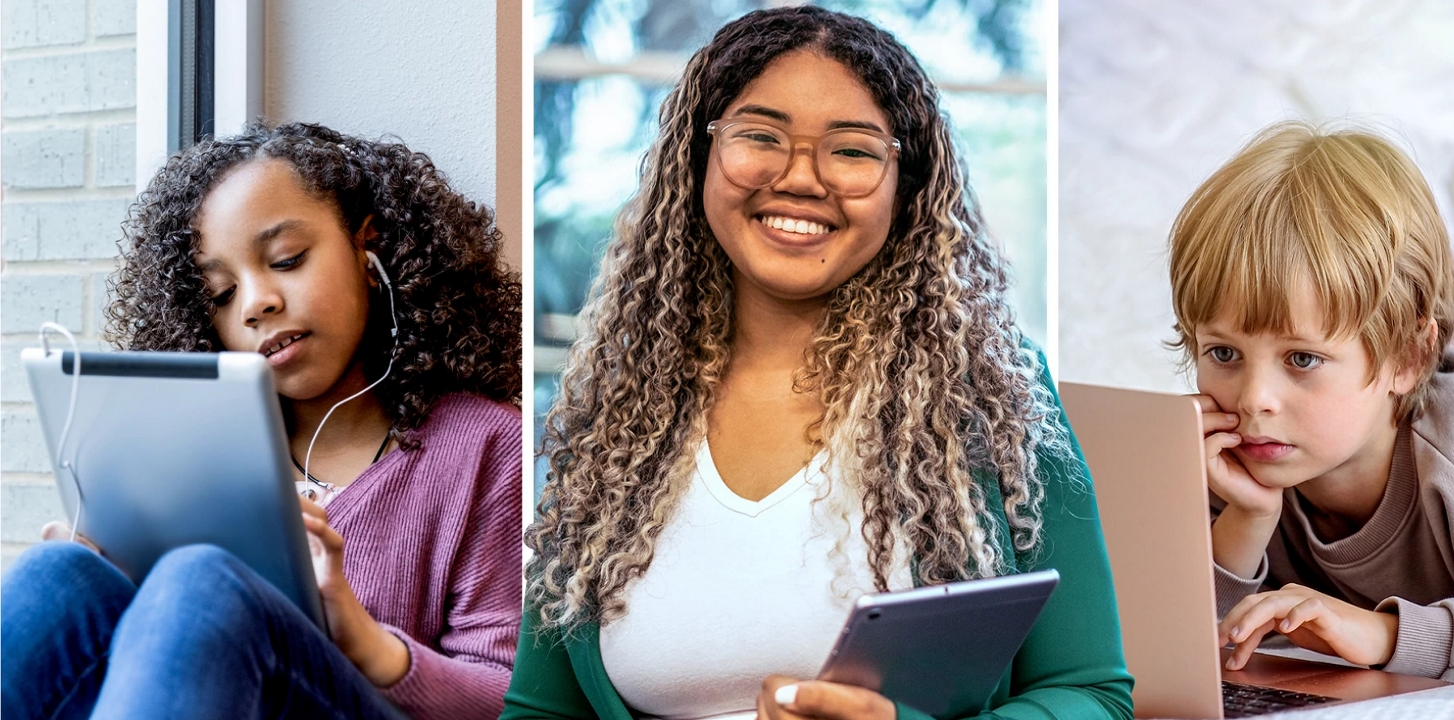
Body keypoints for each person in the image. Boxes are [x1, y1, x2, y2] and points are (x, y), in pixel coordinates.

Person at [503, 7, 1132, 720]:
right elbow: (540, 712)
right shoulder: (621, 407)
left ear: (907, 184)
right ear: (699, 157)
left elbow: (1092, 695)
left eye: (853, 151)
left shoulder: (990, 390)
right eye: (759, 137)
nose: (801, 177)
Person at [1, 123, 526, 718]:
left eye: (287, 260)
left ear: (370, 252)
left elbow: (513, 700)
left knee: (205, 582)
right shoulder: (201, 458)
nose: (256, 304)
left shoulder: (487, 447)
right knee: (60, 574)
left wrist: (364, 639)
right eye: (221, 294)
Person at [1170, 121, 1454, 686]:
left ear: (1407, 358)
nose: (1253, 400)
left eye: (1302, 359)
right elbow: (1174, 654)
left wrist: (1386, 635)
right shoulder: (1228, 458)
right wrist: (1248, 518)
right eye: (1223, 352)